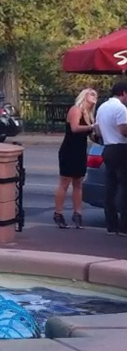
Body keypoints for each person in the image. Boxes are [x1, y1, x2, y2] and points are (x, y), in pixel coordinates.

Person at [53, 88, 97, 229]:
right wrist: (92, 126)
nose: (94, 96)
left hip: (80, 150)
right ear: (84, 96)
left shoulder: (89, 114)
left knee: (78, 183)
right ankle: (58, 213)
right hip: (69, 149)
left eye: (95, 94)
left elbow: (90, 134)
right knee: (65, 182)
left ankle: (77, 214)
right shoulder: (76, 110)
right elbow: (75, 128)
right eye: (91, 93)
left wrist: (97, 133)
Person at [95, 81, 127, 235]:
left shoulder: (102, 107)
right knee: (124, 188)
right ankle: (124, 226)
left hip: (108, 147)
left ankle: (111, 224)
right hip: (121, 148)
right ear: (124, 93)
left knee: (110, 188)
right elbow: (124, 131)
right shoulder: (120, 108)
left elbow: (98, 131)